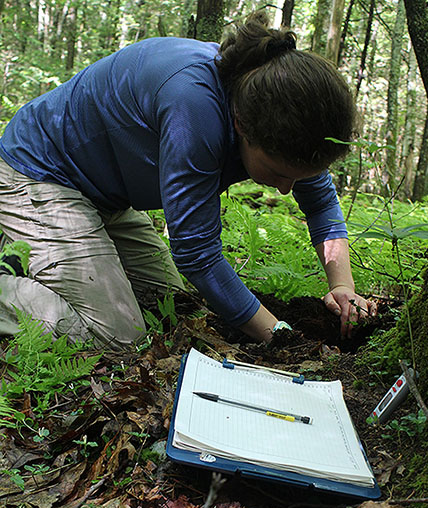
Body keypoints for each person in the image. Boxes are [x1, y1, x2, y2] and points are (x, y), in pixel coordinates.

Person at [0, 11, 375, 349]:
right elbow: (197, 253)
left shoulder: (281, 109)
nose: (285, 189)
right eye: (278, 175)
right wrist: (280, 338)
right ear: (241, 125)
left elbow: (322, 202)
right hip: (39, 173)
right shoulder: (195, 110)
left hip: (102, 196)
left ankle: (32, 259)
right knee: (117, 334)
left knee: (167, 304)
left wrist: (342, 286)